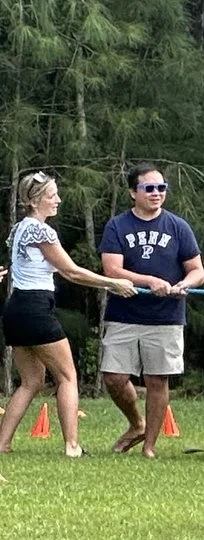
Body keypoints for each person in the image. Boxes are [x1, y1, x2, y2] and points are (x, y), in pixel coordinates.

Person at [3, 170, 130, 455]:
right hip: (36, 309)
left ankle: (2, 443)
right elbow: (71, 271)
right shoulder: (41, 230)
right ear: (34, 201)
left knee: (31, 381)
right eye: (52, 196)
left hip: (16, 309)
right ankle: (72, 446)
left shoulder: (19, 228)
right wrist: (112, 283)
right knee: (67, 377)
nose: (58, 200)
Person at [98, 161, 204, 457]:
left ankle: (149, 447)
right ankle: (136, 423)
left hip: (166, 317)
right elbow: (112, 269)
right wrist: (149, 281)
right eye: (149, 188)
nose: (157, 193)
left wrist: (184, 283)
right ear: (134, 192)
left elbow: (197, 270)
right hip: (124, 314)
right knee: (114, 377)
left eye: (161, 188)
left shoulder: (178, 226)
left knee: (158, 380)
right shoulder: (118, 226)